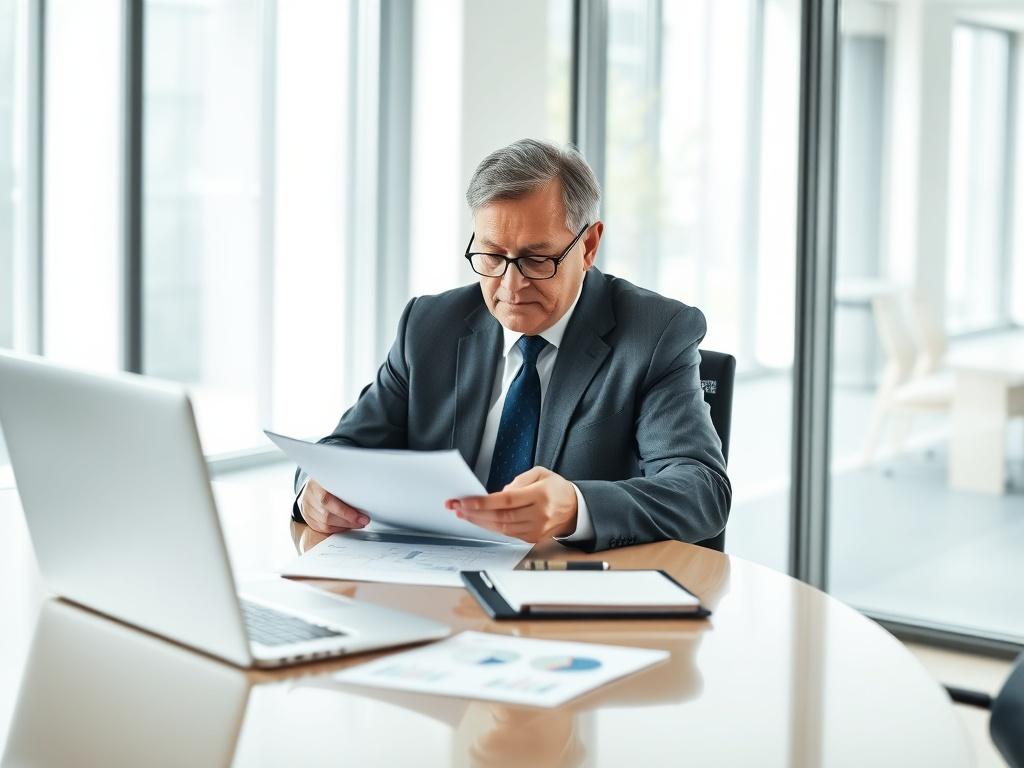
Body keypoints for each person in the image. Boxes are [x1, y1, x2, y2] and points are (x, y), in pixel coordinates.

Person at [292, 138, 730, 552]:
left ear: (590, 245)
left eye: (537, 259)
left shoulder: (656, 333)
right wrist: (313, 490)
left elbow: (701, 489)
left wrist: (575, 505)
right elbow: (341, 451)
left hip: (566, 598)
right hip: (433, 583)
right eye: (493, 256)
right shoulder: (429, 325)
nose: (511, 285)